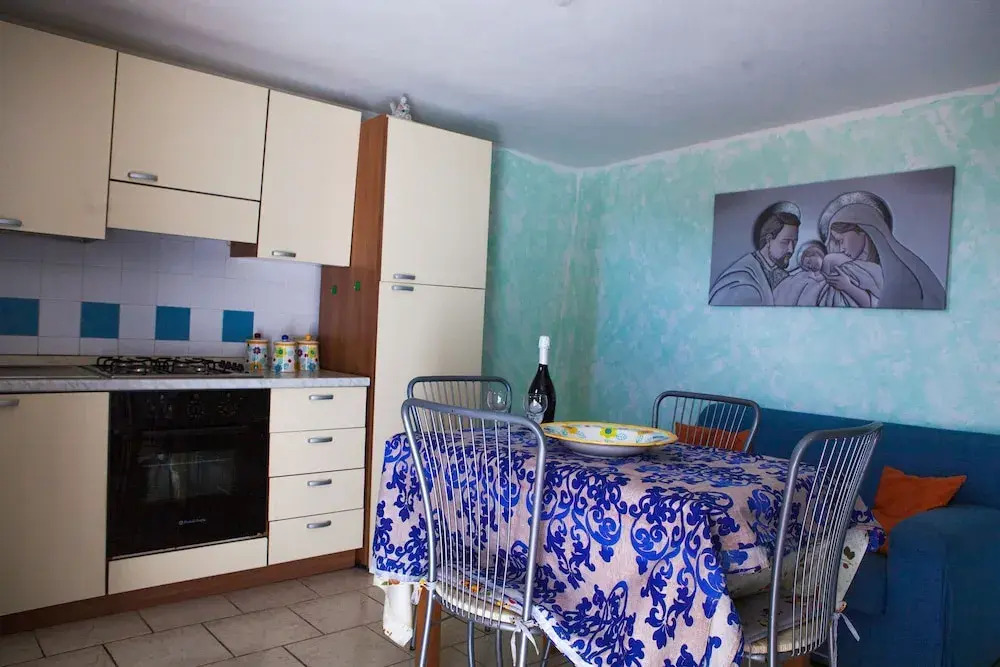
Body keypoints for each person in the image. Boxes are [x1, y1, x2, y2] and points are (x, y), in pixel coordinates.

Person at [817, 192, 945, 309]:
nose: (841, 248)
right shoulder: (847, 267)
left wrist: (848, 287)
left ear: (862, 230)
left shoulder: (896, 274)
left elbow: (881, 305)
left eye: (841, 240)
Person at [709, 202, 800, 306]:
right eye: (785, 242)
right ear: (769, 239)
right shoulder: (741, 281)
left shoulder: (783, 276)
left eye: (794, 242)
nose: (791, 249)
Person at [773, 240, 828, 306]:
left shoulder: (825, 281)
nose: (809, 259)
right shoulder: (792, 279)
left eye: (812, 255)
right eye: (807, 256)